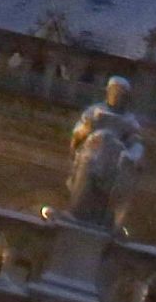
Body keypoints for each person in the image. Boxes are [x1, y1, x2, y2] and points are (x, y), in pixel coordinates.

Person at [59, 77, 150, 229]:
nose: (116, 96)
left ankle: (103, 216)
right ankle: (77, 210)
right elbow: (78, 132)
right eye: (114, 92)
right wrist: (87, 129)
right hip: (90, 154)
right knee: (88, 164)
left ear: (126, 97)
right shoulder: (94, 111)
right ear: (108, 92)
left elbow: (136, 144)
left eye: (120, 93)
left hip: (114, 160)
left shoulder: (130, 120)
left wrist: (132, 156)